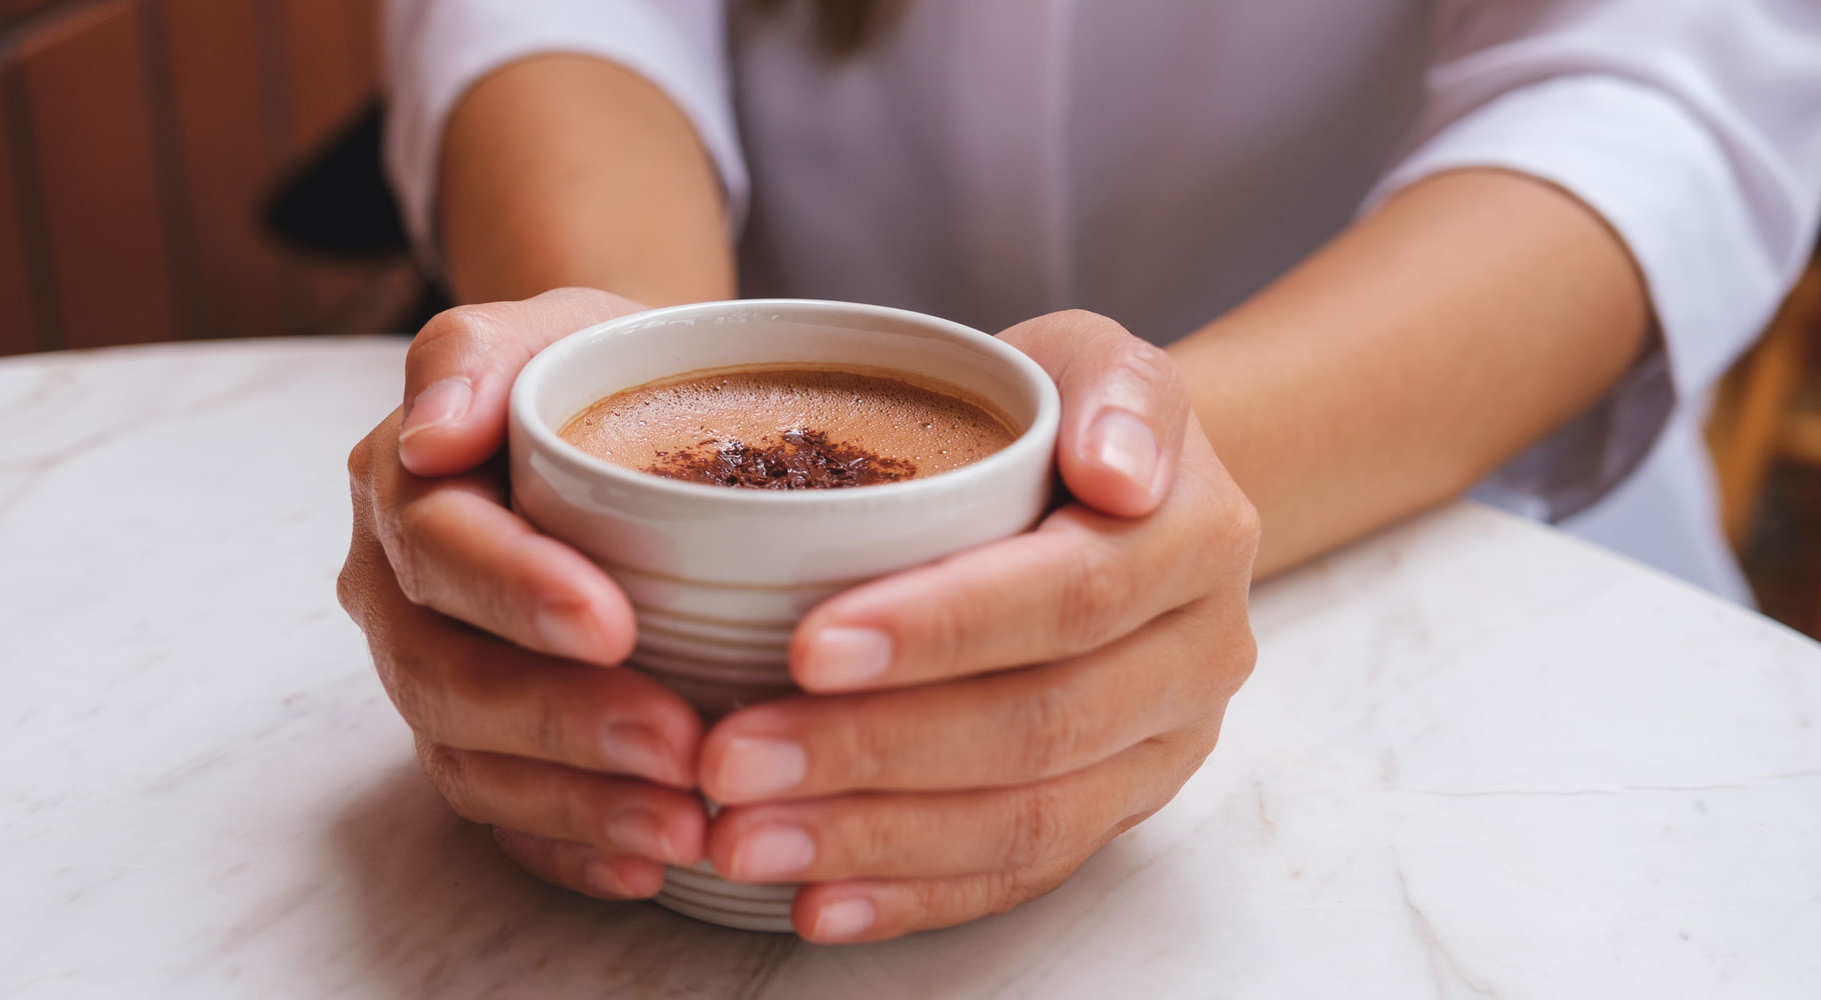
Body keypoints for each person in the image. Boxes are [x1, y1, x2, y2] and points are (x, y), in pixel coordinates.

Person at [338, 0, 1821, 943]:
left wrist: (1151, 460)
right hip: (707, 630)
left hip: (1481, 616)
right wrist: (605, 419)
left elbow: (1655, 97)